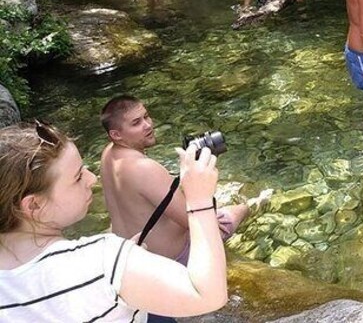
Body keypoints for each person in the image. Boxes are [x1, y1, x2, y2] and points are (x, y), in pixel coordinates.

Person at [0, 121, 228, 321]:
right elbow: (207, 295)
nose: (92, 179)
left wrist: (126, 263)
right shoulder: (102, 260)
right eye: (78, 176)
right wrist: (199, 199)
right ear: (34, 205)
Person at [99, 95, 254, 265]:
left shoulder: (108, 154)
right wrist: (196, 176)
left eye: (146, 116)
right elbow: (195, 219)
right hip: (172, 259)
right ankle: (260, 203)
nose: (148, 125)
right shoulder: (144, 168)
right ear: (116, 134)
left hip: (130, 253)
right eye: (136, 123)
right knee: (241, 209)